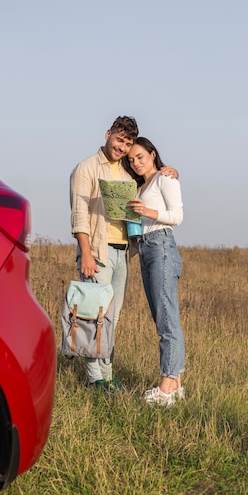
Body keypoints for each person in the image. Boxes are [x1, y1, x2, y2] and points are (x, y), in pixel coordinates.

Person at [70, 117, 177, 391]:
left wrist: (170, 170)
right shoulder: (86, 169)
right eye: (120, 140)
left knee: (112, 317)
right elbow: (80, 216)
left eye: (128, 144)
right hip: (97, 251)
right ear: (108, 135)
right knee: (95, 315)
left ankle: (107, 372)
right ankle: (96, 380)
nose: (122, 148)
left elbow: (154, 183)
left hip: (124, 253)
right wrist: (86, 254)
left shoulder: (129, 174)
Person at [124, 137, 185, 406]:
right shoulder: (141, 186)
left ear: (152, 154)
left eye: (140, 157)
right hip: (146, 249)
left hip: (161, 246)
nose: (136, 163)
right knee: (161, 317)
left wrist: (146, 210)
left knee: (167, 320)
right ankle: (177, 384)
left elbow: (177, 216)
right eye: (131, 160)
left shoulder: (164, 179)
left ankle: (167, 386)